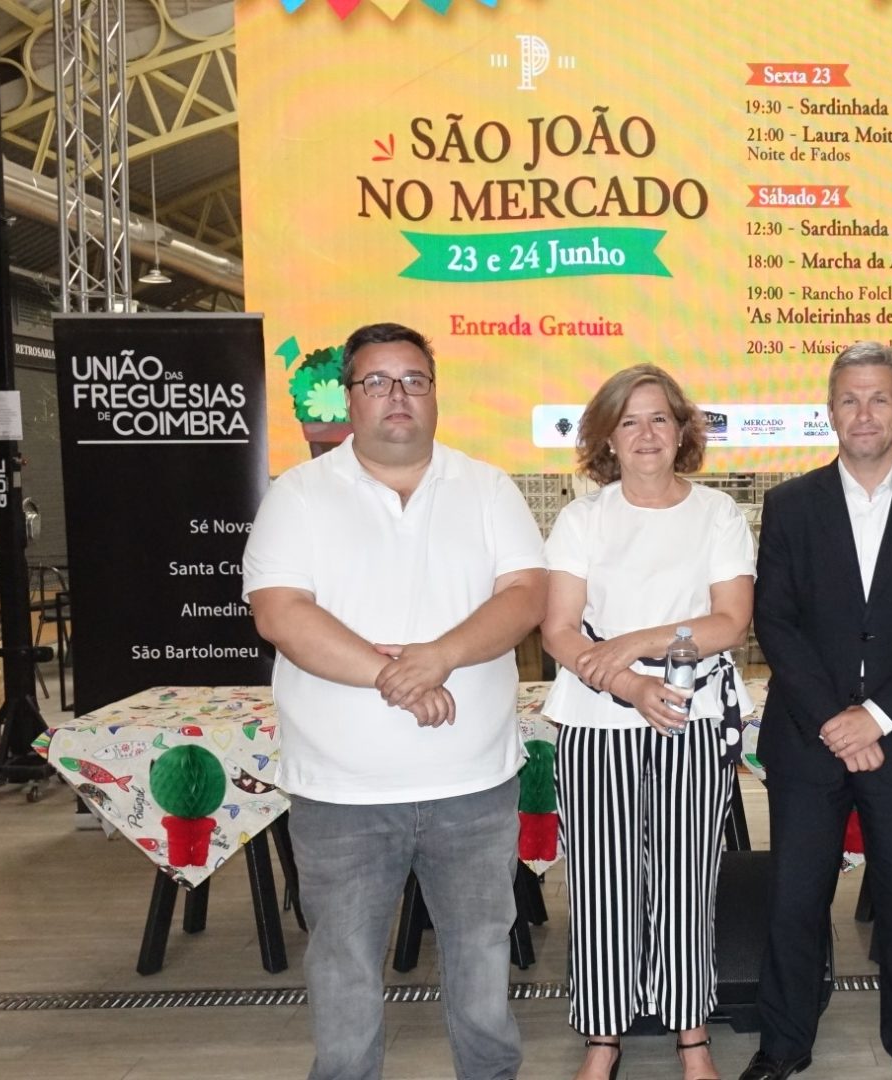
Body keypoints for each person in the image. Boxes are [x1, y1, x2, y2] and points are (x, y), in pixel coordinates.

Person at [241, 322, 546, 1080]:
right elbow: (280, 612)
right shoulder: (298, 495)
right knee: (342, 972)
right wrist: (399, 678)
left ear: (435, 393)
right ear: (348, 398)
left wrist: (438, 656)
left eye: (413, 379)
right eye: (376, 382)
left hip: (473, 785)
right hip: (340, 790)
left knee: (481, 966)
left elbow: (525, 596)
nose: (396, 396)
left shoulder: (488, 487)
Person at [740, 342, 892, 1080]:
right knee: (795, 902)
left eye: (879, 398)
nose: (864, 413)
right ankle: (783, 1046)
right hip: (808, 740)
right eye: (849, 399)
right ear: (830, 412)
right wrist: (835, 720)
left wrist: (875, 717)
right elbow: (774, 623)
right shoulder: (790, 505)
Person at [539, 364, 755, 1080]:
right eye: (628, 421)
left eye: (659, 418)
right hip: (596, 721)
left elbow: (729, 622)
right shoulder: (581, 518)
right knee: (601, 882)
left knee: (686, 879)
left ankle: (692, 1031)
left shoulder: (717, 514)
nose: (645, 434)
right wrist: (628, 683)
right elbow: (559, 631)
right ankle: (605, 1035)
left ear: (683, 429)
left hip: (692, 720)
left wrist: (631, 641)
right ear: (606, 436)